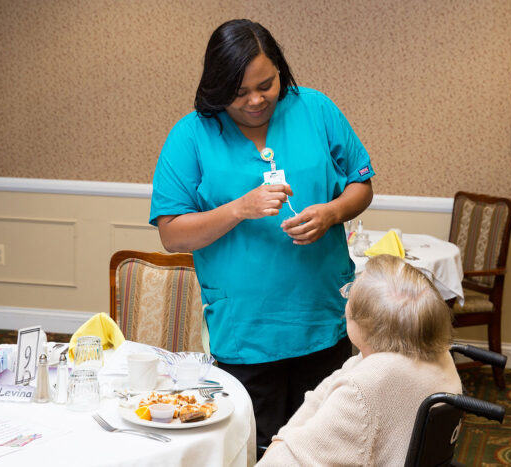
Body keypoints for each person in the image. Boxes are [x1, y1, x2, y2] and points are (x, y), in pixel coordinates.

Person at [149, 19, 374, 456]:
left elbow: (361, 184)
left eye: (266, 85)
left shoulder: (316, 110)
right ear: (216, 89)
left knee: (326, 450)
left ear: (280, 71)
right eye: (239, 93)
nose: (256, 100)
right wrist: (239, 209)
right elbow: (171, 234)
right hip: (246, 334)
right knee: (256, 451)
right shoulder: (190, 136)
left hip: (323, 321)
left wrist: (332, 213)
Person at [257, 254, 462, 466]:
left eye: (349, 292)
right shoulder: (429, 351)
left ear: (366, 324)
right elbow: (322, 394)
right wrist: (283, 439)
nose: (346, 300)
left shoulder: (368, 385)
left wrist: (278, 447)